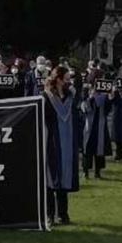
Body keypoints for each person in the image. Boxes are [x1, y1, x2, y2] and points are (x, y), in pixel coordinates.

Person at [42, 66, 80, 225]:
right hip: (52, 141)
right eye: (66, 79)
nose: (69, 82)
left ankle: (63, 214)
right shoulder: (46, 96)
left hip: (68, 142)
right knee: (51, 178)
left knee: (64, 177)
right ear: (58, 80)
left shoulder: (71, 96)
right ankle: (49, 215)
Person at [82, 73, 112, 179]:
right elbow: (84, 108)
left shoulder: (105, 93)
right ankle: (85, 171)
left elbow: (108, 110)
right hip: (89, 124)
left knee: (99, 149)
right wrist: (90, 98)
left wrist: (110, 98)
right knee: (87, 148)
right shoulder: (86, 90)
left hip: (100, 123)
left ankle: (97, 172)